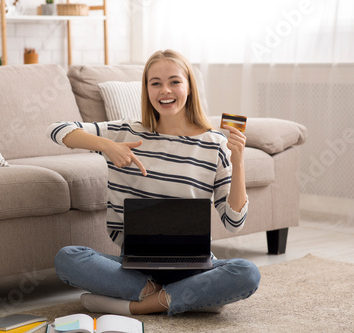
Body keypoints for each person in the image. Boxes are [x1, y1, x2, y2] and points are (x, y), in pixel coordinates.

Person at [46, 49, 260, 316]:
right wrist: (108, 146)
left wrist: (238, 161)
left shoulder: (214, 144)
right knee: (68, 258)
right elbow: (56, 129)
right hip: (134, 263)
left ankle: (138, 304)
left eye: (174, 81)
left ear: (189, 86)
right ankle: (183, 297)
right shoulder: (127, 131)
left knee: (246, 272)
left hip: (193, 265)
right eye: (155, 83)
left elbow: (234, 222)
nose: (165, 91)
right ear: (146, 90)